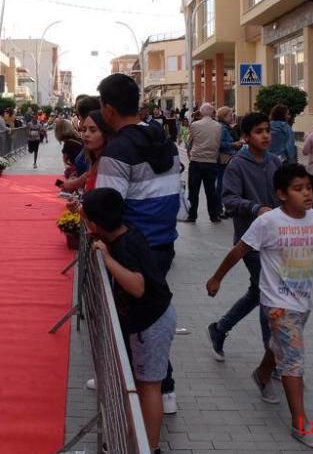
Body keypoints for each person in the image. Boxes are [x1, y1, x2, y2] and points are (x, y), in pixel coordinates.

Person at [206, 163, 313, 449]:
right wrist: (216, 278)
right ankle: (300, 424)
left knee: (280, 347)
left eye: (308, 187)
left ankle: (261, 374)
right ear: (282, 194)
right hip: (277, 303)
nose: (307, 194)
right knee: (294, 359)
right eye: (298, 189)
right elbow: (239, 250)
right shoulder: (268, 222)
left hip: (303, 301)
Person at [96, 73, 181, 415]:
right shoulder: (165, 140)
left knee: (140, 321)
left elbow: (106, 205)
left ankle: (155, 386)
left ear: (109, 109)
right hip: (163, 243)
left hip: (132, 247)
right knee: (153, 315)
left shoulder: (118, 148)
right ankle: (161, 386)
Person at [83, 187, 175, 454]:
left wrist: (108, 260)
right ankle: (136, 439)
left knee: (149, 387)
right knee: (143, 384)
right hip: (149, 321)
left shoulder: (123, 248)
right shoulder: (126, 233)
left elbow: (137, 286)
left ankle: (151, 448)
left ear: (95, 223)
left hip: (152, 323)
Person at [207, 112, 279, 363]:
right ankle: (271, 358)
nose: (266, 135)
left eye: (268, 130)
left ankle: (219, 329)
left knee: (259, 292)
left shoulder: (274, 162)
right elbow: (228, 199)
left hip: (276, 241)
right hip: (250, 241)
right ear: (246, 137)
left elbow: (283, 194)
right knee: (268, 293)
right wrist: (255, 208)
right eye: (259, 131)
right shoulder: (237, 164)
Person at [185, 103, 222, 223]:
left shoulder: (194, 125)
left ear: (200, 113)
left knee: (193, 190)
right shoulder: (218, 126)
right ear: (212, 113)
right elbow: (218, 142)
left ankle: (192, 215)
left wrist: (189, 155)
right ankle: (214, 216)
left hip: (196, 160)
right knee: (211, 190)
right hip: (211, 161)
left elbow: (189, 142)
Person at [215, 106, 243, 216]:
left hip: (228, 157)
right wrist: (233, 144)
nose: (232, 117)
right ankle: (220, 208)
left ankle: (223, 208)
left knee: (225, 183)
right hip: (225, 158)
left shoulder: (226, 127)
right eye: (230, 115)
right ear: (224, 116)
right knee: (222, 184)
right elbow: (220, 144)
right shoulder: (222, 128)